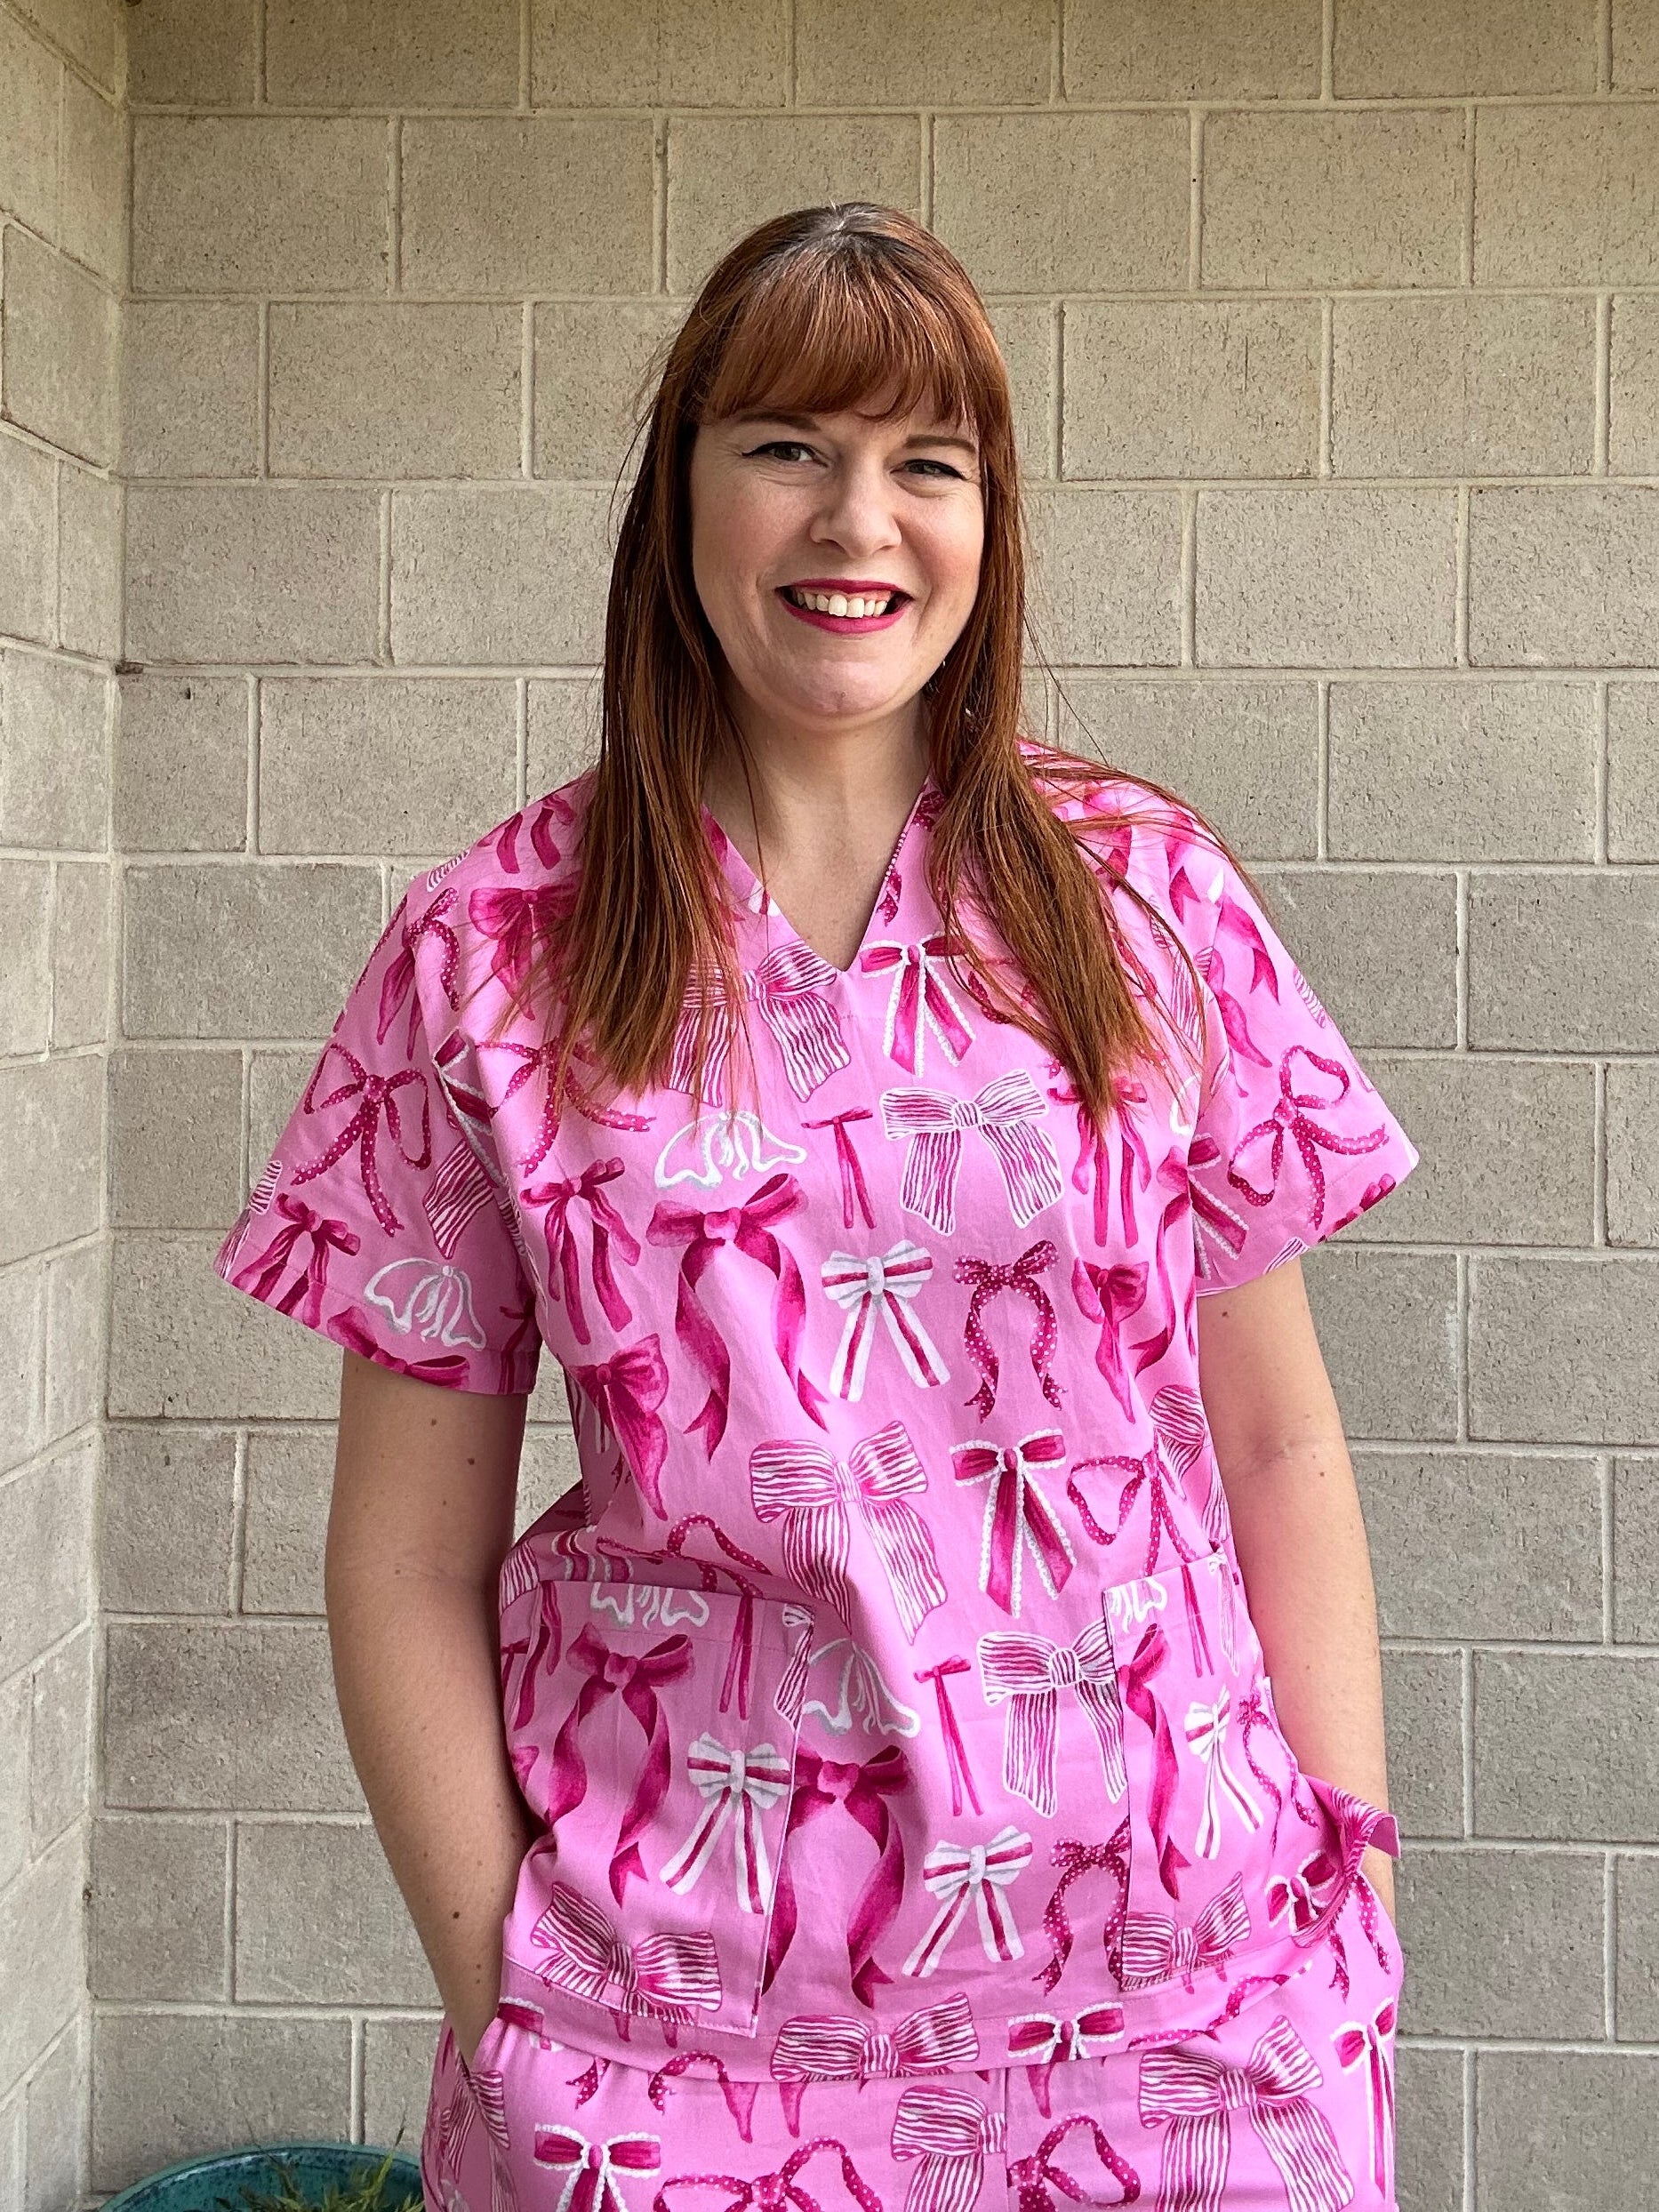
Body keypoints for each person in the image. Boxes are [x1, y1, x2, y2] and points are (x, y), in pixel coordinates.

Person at [214, 204, 1419, 2212]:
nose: (857, 517)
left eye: (925, 462)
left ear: (988, 521)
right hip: (673, 2056)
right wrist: (497, 1989)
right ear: (679, 485)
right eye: (787, 441)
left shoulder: (1147, 904)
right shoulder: (484, 960)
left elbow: (1280, 1436)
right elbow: (402, 1559)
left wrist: (1356, 1850)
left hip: (1193, 2016)